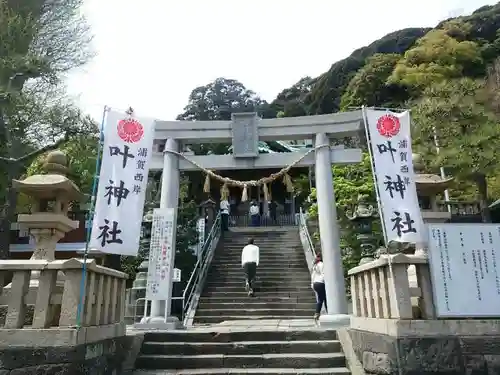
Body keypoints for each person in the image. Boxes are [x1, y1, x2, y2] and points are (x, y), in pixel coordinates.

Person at [311, 253, 327, 320]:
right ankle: (326, 312)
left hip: (315, 283)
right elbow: (323, 274)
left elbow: (313, 276)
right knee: (325, 299)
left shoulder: (315, 265)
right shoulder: (321, 264)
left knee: (321, 298)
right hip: (320, 283)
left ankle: (317, 313)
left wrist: (312, 284)